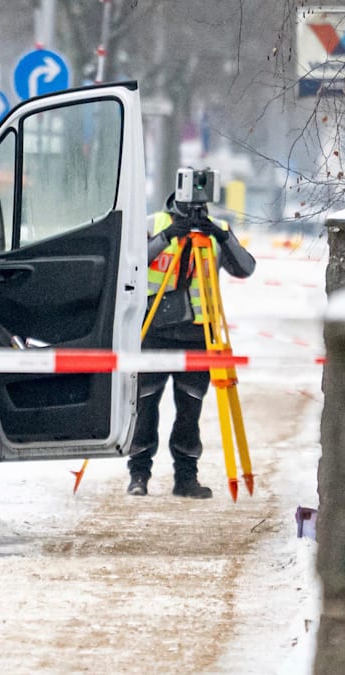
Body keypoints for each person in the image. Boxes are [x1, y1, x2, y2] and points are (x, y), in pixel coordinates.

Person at [127, 194, 256, 498]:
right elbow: (131, 264)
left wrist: (222, 236)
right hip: (154, 332)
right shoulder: (154, 224)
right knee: (145, 406)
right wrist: (168, 236)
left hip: (198, 335)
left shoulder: (216, 231)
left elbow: (245, 268)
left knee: (189, 411)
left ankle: (186, 479)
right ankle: (139, 474)